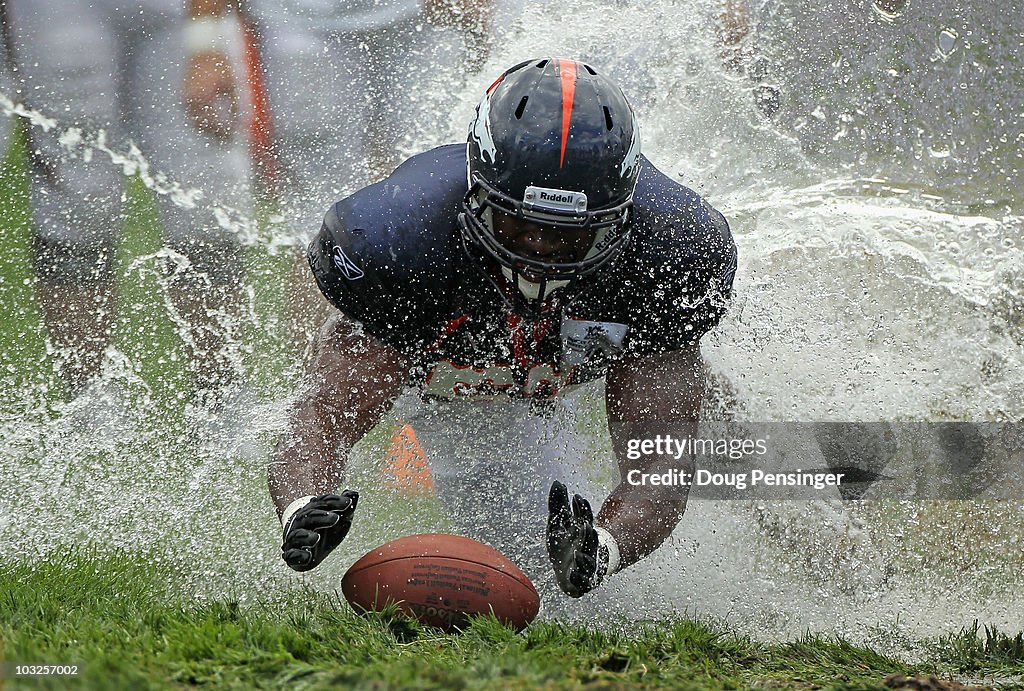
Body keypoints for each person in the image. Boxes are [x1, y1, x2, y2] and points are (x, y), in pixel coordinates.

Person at [271, 58, 737, 597]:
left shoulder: (671, 252)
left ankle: (830, 545)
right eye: (519, 225)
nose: (538, 255)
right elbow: (323, 410)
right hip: (456, 390)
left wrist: (604, 546)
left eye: (567, 238)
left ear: (617, 220)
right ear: (477, 196)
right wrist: (305, 504)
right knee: (529, 581)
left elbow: (657, 460)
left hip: (568, 359)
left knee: (724, 417)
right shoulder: (400, 239)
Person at [4, 0, 252, 412]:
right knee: (77, 200)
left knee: (208, 201)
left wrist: (206, 37)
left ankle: (221, 397)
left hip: (179, 11)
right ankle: (88, 401)